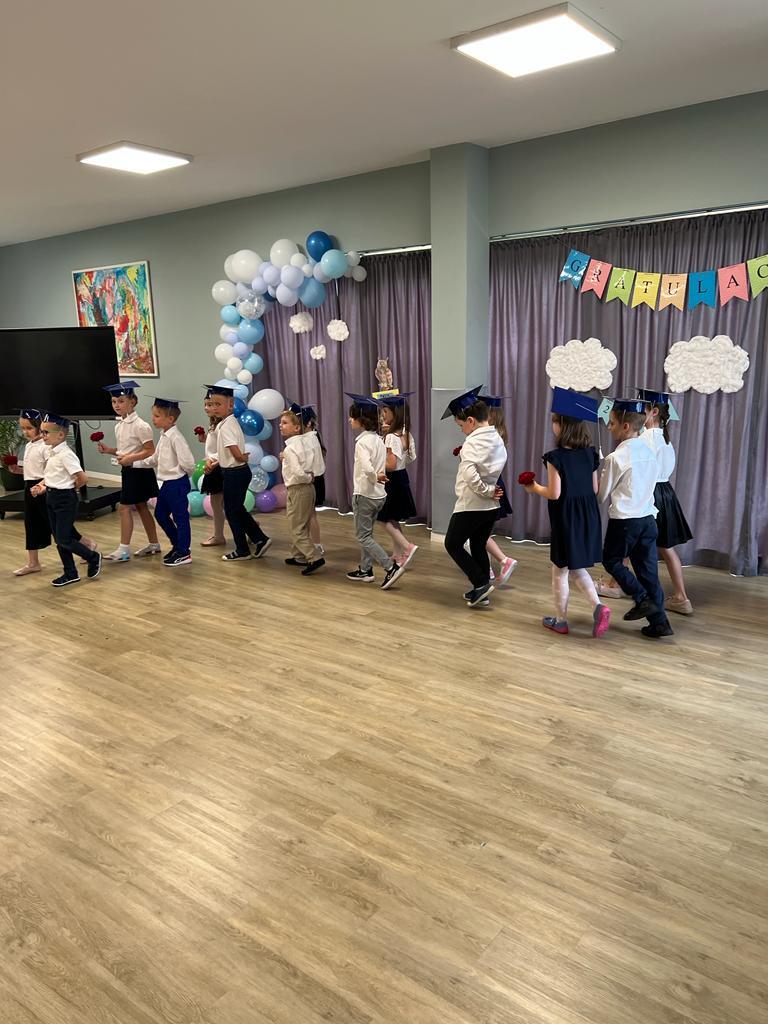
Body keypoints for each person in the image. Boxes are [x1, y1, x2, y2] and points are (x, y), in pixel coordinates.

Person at [522, 388, 610, 637]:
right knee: (575, 566)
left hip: (566, 519)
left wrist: (534, 487)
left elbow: (554, 493)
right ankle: (599, 607)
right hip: (588, 517)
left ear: (561, 426)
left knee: (560, 569)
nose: (553, 426)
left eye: (554, 421)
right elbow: (595, 489)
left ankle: (561, 620)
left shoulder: (555, 458)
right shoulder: (590, 454)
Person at [599, 398, 674, 640]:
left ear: (625, 426)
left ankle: (641, 598)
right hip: (648, 519)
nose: (608, 427)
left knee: (611, 560)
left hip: (625, 521)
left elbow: (601, 495)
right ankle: (660, 622)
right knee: (648, 573)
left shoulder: (616, 458)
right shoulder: (650, 452)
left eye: (611, 423)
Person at [442, 387, 507, 608]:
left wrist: (486, 490)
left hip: (472, 504)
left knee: (452, 544)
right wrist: (490, 489)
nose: (462, 431)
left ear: (470, 421)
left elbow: (470, 476)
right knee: (478, 545)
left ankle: (480, 582)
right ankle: (482, 591)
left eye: (461, 426)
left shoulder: (471, 443)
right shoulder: (497, 438)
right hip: (491, 507)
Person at [638, 388, 694, 615]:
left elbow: (640, 468)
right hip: (666, 492)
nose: (639, 412)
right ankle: (681, 596)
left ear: (653, 412)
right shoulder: (665, 438)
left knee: (630, 536)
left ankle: (617, 584)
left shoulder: (645, 438)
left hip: (650, 492)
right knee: (665, 547)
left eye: (642, 408)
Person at [30, 413, 102, 587]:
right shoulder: (51, 451)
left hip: (64, 500)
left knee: (64, 539)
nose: (42, 435)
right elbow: (54, 476)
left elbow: (82, 478)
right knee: (59, 539)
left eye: (46, 432)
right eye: (41, 431)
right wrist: (42, 487)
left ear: (61, 435)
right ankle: (70, 573)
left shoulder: (66, 455)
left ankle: (92, 557)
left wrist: (71, 488)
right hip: (51, 497)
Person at [345, 393, 406, 590]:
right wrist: (377, 477)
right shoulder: (379, 439)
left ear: (361, 420)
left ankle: (391, 567)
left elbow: (366, 466)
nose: (349, 420)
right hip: (379, 495)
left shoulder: (362, 442)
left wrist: (374, 476)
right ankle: (365, 569)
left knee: (363, 536)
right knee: (367, 534)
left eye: (352, 417)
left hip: (365, 495)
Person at [203, 385, 271, 561]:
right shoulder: (227, 422)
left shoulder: (226, 425)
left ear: (231, 405)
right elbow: (224, 450)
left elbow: (232, 447)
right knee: (236, 509)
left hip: (235, 472)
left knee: (232, 511)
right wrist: (216, 462)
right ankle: (259, 539)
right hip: (235, 472)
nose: (215, 408)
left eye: (218, 404)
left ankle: (243, 549)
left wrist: (240, 456)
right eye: (212, 404)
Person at [97, 381, 160, 561]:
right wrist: (110, 450)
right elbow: (126, 450)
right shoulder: (119, 425)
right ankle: (154, 544)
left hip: (139, 472)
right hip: (128, 470)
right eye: (114, 402)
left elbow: (150, 451)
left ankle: (123, 550)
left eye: (121, 401)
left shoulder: (141, 426)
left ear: (133, 402)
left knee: (123, 508)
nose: (117, 405)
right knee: (141, 506)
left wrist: (130, 459)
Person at [134, 399, 195, 566]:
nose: (153, 419)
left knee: (181, 518)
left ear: (170, 419)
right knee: (160, 514)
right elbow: (155, 459)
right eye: (153, 415)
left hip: (176, 483)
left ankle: (184, 552)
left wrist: (182, 476)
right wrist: (135, 464)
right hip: (167, 484)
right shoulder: (163, 436)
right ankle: (178, 545)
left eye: (157, 416)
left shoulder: (176, 437)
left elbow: (188, 463)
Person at [279, 404, 325, 575]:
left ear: (297, 427)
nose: (280, 425)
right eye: (281, 422)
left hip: (298, 489)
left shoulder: (291, 448)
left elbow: (298, 472)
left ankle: (314, 557)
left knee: (296, 527)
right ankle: (298, 555)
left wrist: (307, 478)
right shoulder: (305, 441)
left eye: (285, 423)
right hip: (307, 489)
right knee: (302, 523)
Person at [479, 394, 518, 585]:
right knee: (481, 531)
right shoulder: (498, 433)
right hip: (493, 482)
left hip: (489, 485)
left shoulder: (491, 437)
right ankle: (487, 568)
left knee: (479, 532)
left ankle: (502, 561)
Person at [377, 393, 418, 569]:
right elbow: (412, 457)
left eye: (385, 411)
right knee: (393, 519)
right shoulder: (405, 433)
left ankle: (407, 547)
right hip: (402, 477)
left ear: (395, 413)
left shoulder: (391, 437)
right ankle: (398, 555)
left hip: (392, 480)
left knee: (383, 518)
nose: (382, 415)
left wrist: (376, 462)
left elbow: (391, 465)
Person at [198, 396, 226, 547]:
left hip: (218, 467)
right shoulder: (214, 424)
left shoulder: (222, 425)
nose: (206, 408)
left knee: (220, 504)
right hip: (214, 465)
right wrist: (205, 438)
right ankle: (219, 535)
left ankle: (219, 536)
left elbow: (224, 449)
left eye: (210, 405)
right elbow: (215, 445)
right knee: (220, 504)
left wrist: (213, 463)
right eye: (205, 405)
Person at [301, 405, 326, 557]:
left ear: (308, 423)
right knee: (309, 514)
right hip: (315, 479)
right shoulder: (312, 437)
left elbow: (306, 463)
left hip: (312, 480)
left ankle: (316, 545)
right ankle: (312, 544)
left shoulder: (309, 439)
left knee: (310, 515)